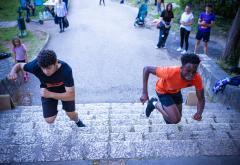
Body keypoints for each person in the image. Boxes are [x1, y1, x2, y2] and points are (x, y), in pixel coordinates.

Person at [8, 49, 86, 127]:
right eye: (43, 68)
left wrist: (50, 94)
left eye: (49, 68)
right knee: (49, 120)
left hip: (63, 91)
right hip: (47, 90)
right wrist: (13, 72)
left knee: (71, 115)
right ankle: (54, 109)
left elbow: (71, 96)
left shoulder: (66, 70)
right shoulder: (35, 66)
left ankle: (77, 120)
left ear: (56, 62)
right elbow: (18, 65)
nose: (45, 72)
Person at [140, 54, 205, 124]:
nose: (191, 75)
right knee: (175, 120)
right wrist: (144, 93)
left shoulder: (197, 78)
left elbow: (201, 98)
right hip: (163, 91)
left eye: (194, 72)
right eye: (188, 71)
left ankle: (168, 113)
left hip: (176, 91)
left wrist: (199, 113)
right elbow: (146, 69)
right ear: (182, 67)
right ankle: (154, 103)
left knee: (176, 118)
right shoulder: (169, 72)